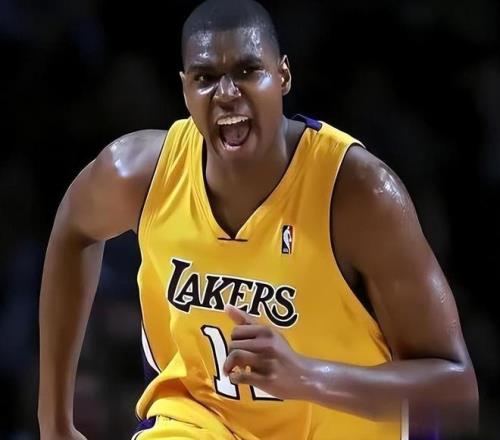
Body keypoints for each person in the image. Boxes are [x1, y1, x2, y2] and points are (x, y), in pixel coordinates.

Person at [38, 0, 479, 439]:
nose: (227, 93)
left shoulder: (358, 193)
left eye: (248, 71)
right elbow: (74, 230)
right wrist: (54, 422)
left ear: (283, 76)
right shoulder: (141, 174)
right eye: (205, 78)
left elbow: (457, 393)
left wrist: (305, 377)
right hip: (200, 421)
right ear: (185, 89)